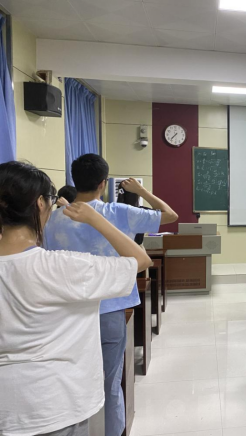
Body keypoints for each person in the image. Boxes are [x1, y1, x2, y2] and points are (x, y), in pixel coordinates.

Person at [0, 161, 151, 436]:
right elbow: (140, 260)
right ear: (40, 204)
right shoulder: (64, 267)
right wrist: (96, 218)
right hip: (57, 403)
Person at [44, 154, 178, 436]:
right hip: (110, 310)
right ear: (103, 183)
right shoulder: (118, 212)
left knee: (71, 384)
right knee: (110, 384)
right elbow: (170, 215)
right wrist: (140, 191)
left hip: (66, 314)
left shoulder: (52, 219)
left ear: (74, 180)